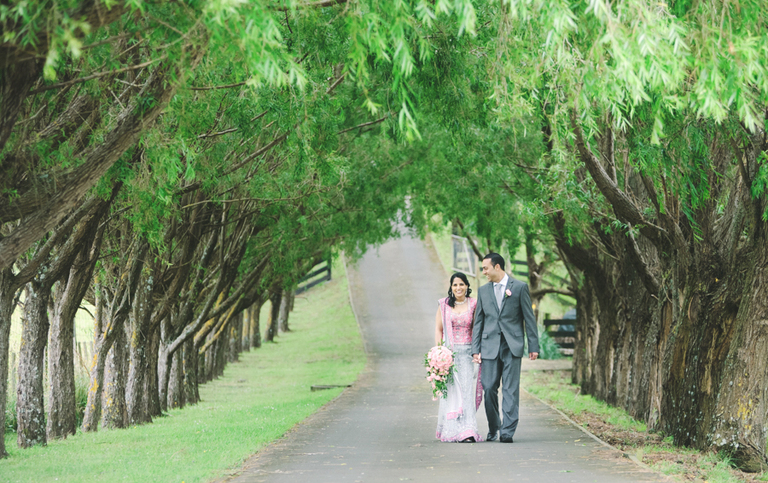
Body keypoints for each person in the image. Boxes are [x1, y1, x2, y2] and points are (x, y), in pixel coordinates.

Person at [471, 253, 539, 443]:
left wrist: (534, 345)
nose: (483, 272)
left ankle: (507, 431)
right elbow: (479, 321)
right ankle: (494, 427)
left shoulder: (519, 287)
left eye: (485, 268)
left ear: (497, 267)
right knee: (489, 387)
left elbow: (529, 318)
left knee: (510, 389)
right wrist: (475, 349)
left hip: (512, 345)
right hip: (489, 345)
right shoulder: (483, 291)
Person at [434, 272, 484, 443]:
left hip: (468, 355)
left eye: (461, 284)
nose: (458, 288)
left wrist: (478, 351)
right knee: (452, 393)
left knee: (466, 392)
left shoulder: (474, 304)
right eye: (455, 285)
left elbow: (478, 328)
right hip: (450, 356)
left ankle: (468, 430)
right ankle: (452, 430)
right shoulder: (444, 305)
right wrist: (440, 352)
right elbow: (439, 330)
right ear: (451, 287)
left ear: (467, 286)